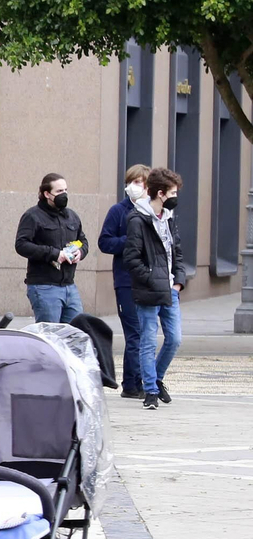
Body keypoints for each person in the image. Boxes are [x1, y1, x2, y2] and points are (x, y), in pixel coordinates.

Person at [123, 167, 186, 410]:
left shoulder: (169, 218)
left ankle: (156, 379)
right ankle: (149, 391)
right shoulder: (138, 220)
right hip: (148, 290)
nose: (175, 196)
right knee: (148, 341)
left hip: (170, 289)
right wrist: (151, 278)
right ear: (160, 193)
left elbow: (177, 252)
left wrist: (178, 281)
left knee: (174, 339)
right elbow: (131, 259)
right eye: (172, 192)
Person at [100, 164, 151, 399]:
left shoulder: (150, 211)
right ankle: (132, 384)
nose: (138, 186)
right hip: (126, 280)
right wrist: (129, 241)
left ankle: (138, 380)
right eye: (135, 181)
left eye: (143, 182)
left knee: (146, 333)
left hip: (148, 281)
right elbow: (105, 242)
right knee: (135, 333)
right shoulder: (118, 211)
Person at [15, 173, 88, 323]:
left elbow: (83, 240)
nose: (64, 195)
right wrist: (54, 254)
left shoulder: (72, 216)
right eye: (59, 191)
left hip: (69, 285)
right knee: (50, 336)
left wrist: (80, 252)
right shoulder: (32, 216)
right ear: (46, 194)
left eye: (66, 190)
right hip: (44, 287)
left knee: (76, 333)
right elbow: (21, 245)